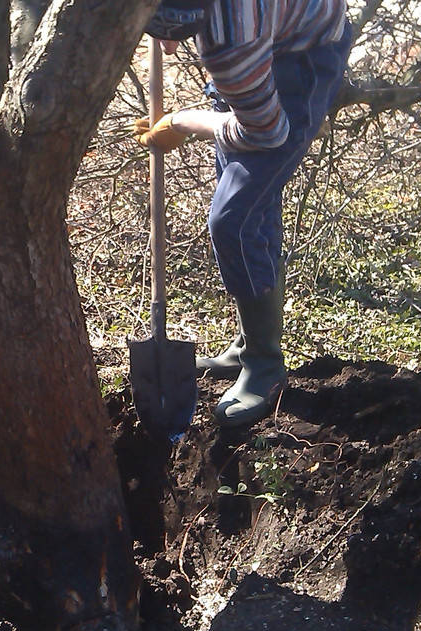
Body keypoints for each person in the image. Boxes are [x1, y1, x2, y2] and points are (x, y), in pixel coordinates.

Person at [134, 0, 352, 427]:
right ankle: (248, 346)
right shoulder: (225, 29)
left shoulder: (231, 42)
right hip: (271, 37)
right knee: (255, 204)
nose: (166, 48)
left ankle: (265, 364)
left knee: (234, 221)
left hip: (298, 58)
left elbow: (264, 133)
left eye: (168, 34)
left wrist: (181, 122)